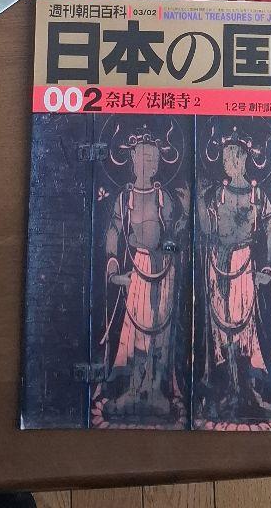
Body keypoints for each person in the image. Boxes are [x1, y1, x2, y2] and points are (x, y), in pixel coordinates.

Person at [97, 127, 187, 425]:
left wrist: (181, 224)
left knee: (160, 330)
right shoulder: (125, 199)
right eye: (143, 158)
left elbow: (173, 231)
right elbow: (113, 231)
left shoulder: (164, 197)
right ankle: (135, 389)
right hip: (137, 268)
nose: (148, 164)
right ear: (132, 160)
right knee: (137, 331)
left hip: (164, 269)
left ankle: (157, 389)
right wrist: (113, 268)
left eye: (153, 158)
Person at [198, 128, 271, 427]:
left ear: (246, 158)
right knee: (223, 330)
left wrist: (267, 267)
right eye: (226, 157)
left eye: (236, 156)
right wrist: (199, 203)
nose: (230, 161)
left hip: (245, 264)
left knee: (247, 328)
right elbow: (208, 230)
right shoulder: (215, 195)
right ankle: (230, 389)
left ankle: (247, 390)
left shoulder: (257, 196)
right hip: (218, 265)